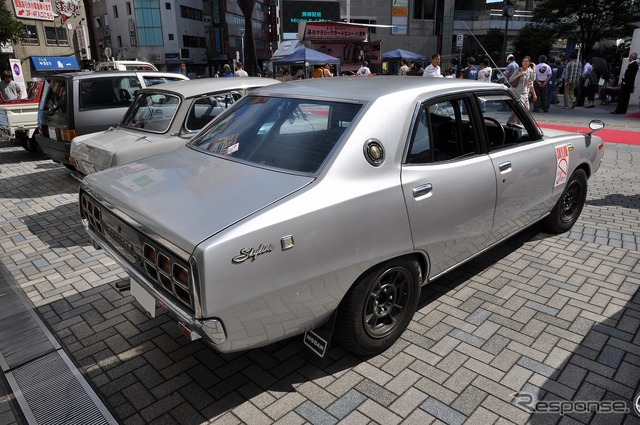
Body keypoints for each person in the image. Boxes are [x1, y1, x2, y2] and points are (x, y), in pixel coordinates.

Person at [508, 56, 537, 124]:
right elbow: (510, 79)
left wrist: (534, 69)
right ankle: (518, 123)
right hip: (517, 92)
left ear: (529, 63)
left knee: (526, 108)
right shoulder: (518, 70)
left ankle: (510, 121)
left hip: (525, 92)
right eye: (523, 61)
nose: (524, 63)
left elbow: (533, 79)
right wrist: (519, 75)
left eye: (526, 61)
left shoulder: (530, 71)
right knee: (521, 108)